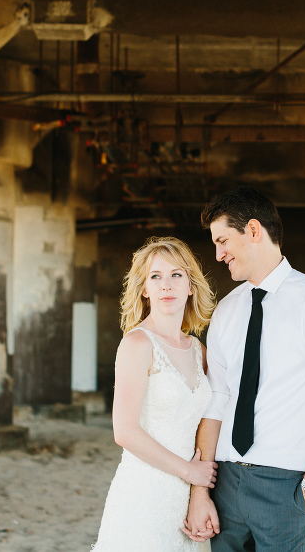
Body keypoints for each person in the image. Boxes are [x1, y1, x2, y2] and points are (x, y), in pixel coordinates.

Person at [183, 187, 305, 551]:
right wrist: (200, 491)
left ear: (253, 230)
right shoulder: (226, 312)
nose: (218, 255)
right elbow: (217, 400)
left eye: (222, 241)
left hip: (287, 488)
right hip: (226, 481)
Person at [92, 236, 218, 552]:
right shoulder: (137, 345)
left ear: (191, 285)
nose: (167, 286)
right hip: (142, 495)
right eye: (156, 277)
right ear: (145, 289)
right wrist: (191, 472)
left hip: (185, 499)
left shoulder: (198, 350)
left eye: (176, 275)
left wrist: (198, 492)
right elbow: (125, 432)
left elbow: (207, 419)